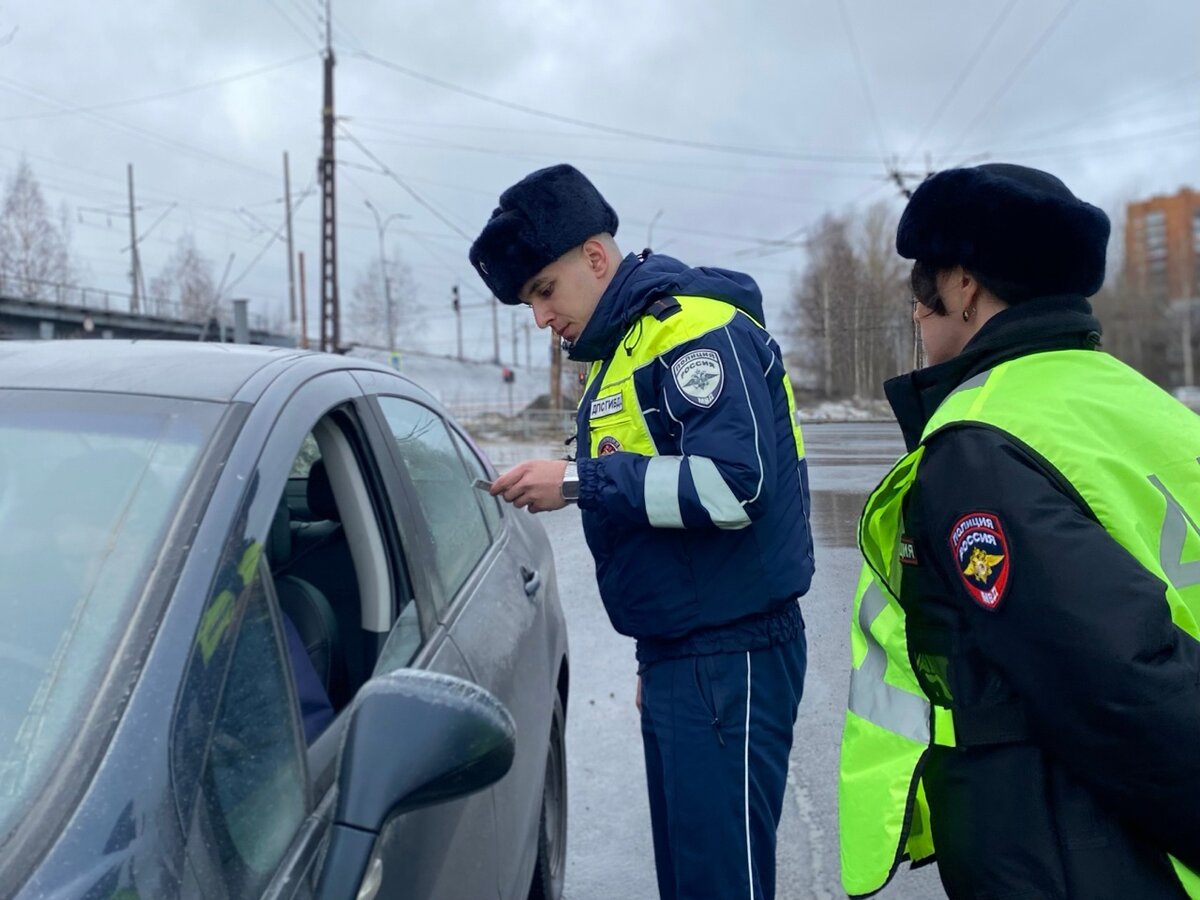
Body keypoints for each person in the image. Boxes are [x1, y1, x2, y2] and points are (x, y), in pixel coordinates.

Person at [838, 162, 1200, 899]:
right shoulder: (1133, 398)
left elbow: (1120, 689)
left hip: (1077, 847)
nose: (916, 314)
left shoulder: (980, 445)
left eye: (920, 291)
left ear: (963, 285)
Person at [471, 164, 814, 900]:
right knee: (693, 879)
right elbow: (661, 507)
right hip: (685, 652)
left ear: (595, 259)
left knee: (722, 883)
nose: (539, 318)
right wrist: (657, 652)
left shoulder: (694, 333)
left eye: (543, 291)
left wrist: (576, 480)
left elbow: (733, 485)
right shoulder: (625, 348)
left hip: (732, 651)